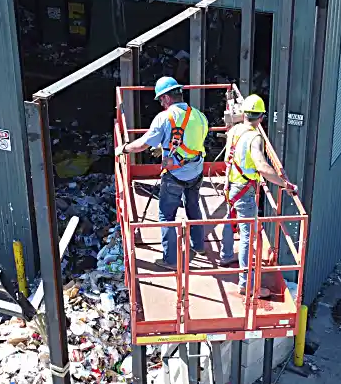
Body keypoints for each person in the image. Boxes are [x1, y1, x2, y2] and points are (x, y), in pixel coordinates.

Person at [115, 76, 210, 269]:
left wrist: (123, 148)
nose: (160, 103)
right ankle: (198, 246)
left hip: (175, 174)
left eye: (160, 99)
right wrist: (165, 146)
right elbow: (194, 142)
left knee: (167, 216)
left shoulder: (164, 118)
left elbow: (142, 144)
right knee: (193, 207)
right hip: (197, 171)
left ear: (167, 98)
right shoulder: (200, 116)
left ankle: (170, 260)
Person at [219, 94, 297, 298]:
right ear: (261, 117)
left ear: (244, 114)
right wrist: (285, 184)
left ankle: (225, 255)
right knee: (247, 235)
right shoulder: (255, 138)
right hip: (244, 189)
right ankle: (247, 284)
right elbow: (261, 166)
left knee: (229, 219)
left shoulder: (234, 130)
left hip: (231, 184)